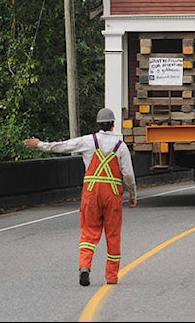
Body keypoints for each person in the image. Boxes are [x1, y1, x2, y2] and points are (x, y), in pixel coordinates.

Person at [23, 107, 137, 287]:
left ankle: (85, 266)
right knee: (113, 235)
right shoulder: (120, 146)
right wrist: (132, 194)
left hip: (91, 194)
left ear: (98, 124)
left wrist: (40, 144)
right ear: (113, 125)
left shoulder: (88, 141)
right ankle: (112, 277)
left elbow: (62, 146)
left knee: (89, 233)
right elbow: (128, 174)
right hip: (112, 194)